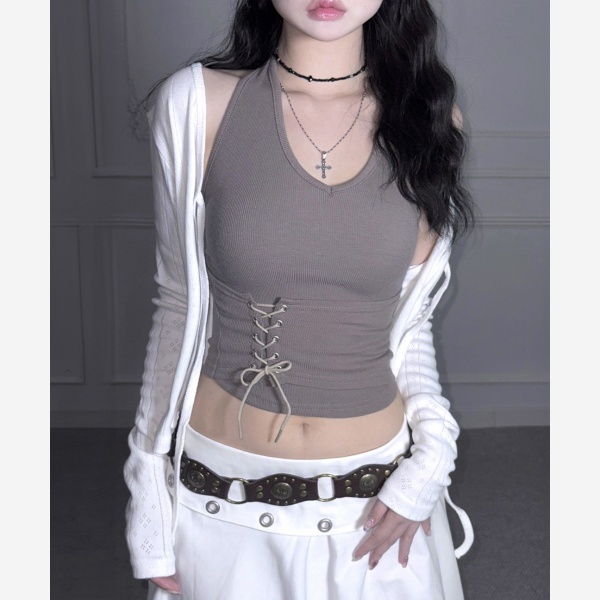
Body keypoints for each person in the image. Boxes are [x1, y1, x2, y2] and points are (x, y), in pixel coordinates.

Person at [124, 1, 477, 598]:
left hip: (376, 507)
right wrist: (147, 486)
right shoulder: (198, 103)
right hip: (220, 498)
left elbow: (408, 326)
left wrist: (432, 458)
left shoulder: (429, 120)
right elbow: (178, 303)